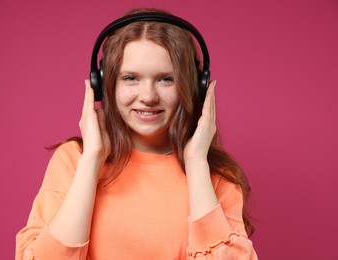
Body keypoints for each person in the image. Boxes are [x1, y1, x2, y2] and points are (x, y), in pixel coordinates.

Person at [16, 8, 257, 260]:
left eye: (166, 79)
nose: (148, 97)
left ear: (196, 85)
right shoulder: (74, 160)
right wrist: (92, 160)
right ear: (103, 84)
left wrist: (196, 163)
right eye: (131, 78)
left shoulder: (218, 177)